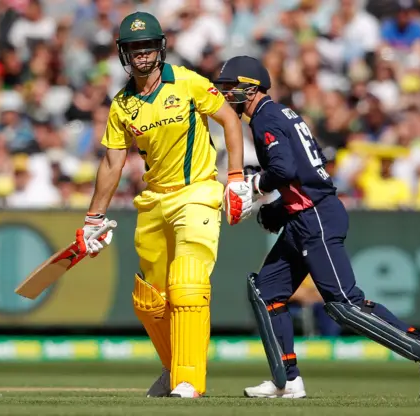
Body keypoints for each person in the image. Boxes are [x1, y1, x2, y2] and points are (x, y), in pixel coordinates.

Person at [214, 56, 420, 400]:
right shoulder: (281, 113)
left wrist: (255, 184)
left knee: (343, 303)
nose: (228, 96)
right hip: (306, 214)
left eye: (232, 89)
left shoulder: (265, 118)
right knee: (266, 292)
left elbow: (284, 169)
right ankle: (286, 380)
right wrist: (279, 208)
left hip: (315, 216)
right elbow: (310, 164)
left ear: (252, 88)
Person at [76, 12, 253, 399]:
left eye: (147, 46)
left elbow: (230, 120)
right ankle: (173, 368)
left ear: (160, 48)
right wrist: (94, 218)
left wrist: (236, 177)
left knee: (187, 283)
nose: (141, 55)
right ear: (124, 53)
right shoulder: (123, 104)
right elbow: (112, 161)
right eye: (133, 48)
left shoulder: (188, 81)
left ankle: (189, 380)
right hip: (153, 201)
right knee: (150, 298)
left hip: (196, 192)